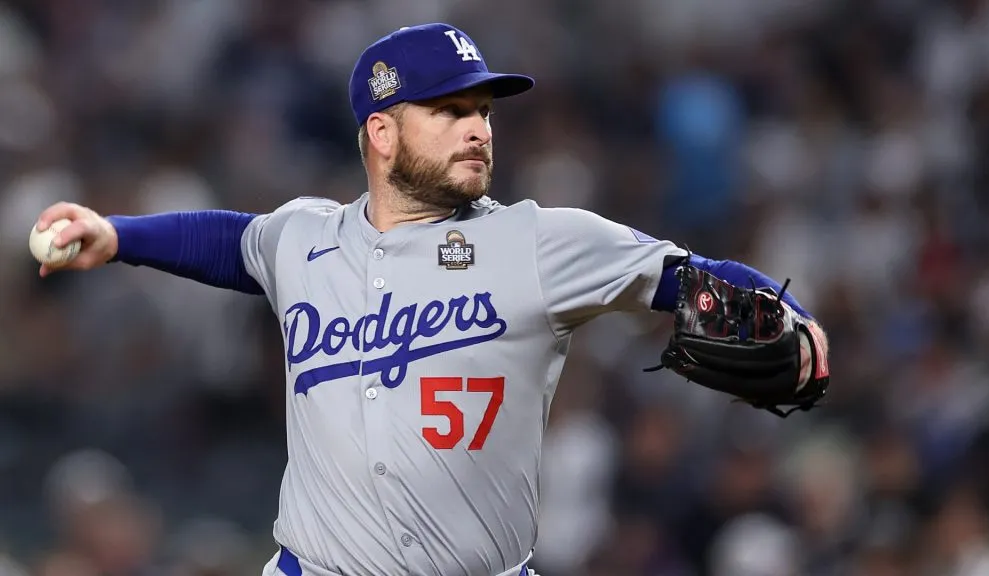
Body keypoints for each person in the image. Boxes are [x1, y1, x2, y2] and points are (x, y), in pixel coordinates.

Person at [33, 23, 829, 576]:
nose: (479, 128)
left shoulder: (540, 242)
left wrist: (792, 323)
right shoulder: (303, 238)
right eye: (450, 111)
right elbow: (230, 242)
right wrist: (118, 233)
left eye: (482, 111)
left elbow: (689, 277)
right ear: (382, 134)